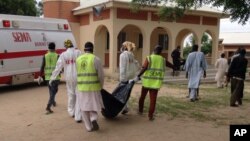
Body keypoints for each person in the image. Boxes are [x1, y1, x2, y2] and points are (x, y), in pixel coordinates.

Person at [136, 45, 174, 121]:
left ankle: (140, 111)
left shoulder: (149, 58)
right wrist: (174, 68)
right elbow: (171, 65)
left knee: (142, 97)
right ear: (161, 52)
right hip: (155, 83)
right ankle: (150, 116)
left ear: (154, 50)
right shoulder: (163, 60)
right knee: (153, 101)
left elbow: (144, 68)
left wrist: (138, 75)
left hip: (146, 82)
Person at [49, 39, 82, 122]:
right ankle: (78, 116)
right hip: (78, 77)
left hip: (69, 77)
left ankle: (72, 112)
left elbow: (58, 67)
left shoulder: (63, 55)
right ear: (72, 45)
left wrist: (52, 78)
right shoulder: (78, 52)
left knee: (71, 95)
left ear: (65, 46)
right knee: (79, 95)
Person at [76, 41, 104, 132]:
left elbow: (77, 73)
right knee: (93, 105)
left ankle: (88, 127)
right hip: (93, 87)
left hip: (81, 87)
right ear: (93, 49)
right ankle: (93, 118)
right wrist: (101, 86)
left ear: (84, 49)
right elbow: (101, 75)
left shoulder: (78, 59)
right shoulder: (96, 59)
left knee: (84, 107)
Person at [119, 41, 140, 114]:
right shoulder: (131, 55)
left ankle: (125, 107)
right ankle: (125, 107)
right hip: (131, 76)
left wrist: (122, 79)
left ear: (124, 47)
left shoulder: (123, 55)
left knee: (121, 93)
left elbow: (122, 68)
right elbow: (136, 64)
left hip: (125, 77)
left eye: (122, 45)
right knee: (127, 92)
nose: (121, 47)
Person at [40, 42, 60, 114]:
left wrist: (40, 76)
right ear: (54, 48)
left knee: (51, 91)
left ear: (48, 48)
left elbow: (42, 66)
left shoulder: (45, 56)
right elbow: (59, 66)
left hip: (48, 77)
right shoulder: (57, 56)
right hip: (55, 77)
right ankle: (49, 105)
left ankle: (53, 101)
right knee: (54, 91)